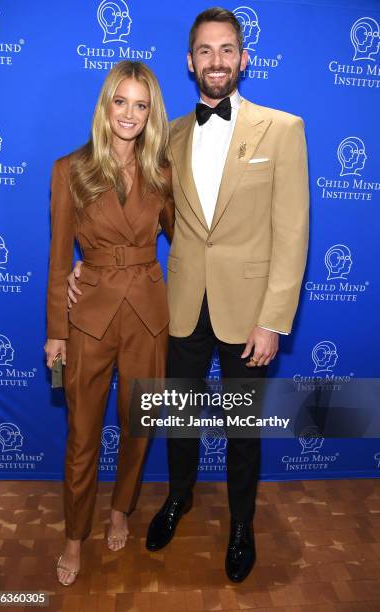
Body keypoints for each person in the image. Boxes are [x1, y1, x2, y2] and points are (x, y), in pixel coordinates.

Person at [68, 7, 309, 584]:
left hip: (248, 313)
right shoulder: (168, 136)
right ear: (190, 61)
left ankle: (242, 526)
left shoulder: (282, 129)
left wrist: (273, 320)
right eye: (205, 51)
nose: (216, 61)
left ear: (243, 58)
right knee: (178, 417)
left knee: (242, 428)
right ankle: (178, 499)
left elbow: (292, 232)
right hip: (177, 308)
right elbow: (147, 218)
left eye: (227, 50)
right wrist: (90, 269)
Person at [44, 60, 174, 587]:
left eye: (141, 105)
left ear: (151, 113)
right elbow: (58, 259)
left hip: (147, 313)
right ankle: (75, 534)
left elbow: (184, 244)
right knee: (81, 434)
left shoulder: (163, 171)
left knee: (139, 426)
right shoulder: (69, 169)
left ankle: (121, 509)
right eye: (121, 101)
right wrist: (56, 329)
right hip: (89, 315)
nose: (130, 114)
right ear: (105, 104)